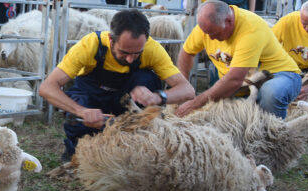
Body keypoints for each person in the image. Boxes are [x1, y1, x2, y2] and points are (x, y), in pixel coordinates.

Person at [39, 9, 195, 162]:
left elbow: (187, 90)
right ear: (111, 39)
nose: (130, 59)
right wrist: (81, 111)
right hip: (93, 98)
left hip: (127, 102)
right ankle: (76, 150)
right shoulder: (90, 45)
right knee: (78, 112)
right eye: (124, 52)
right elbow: (47, 88)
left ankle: (136, 147)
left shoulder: (152, 49)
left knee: (147, 78)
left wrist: (157, 96)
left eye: (137, 54)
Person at [176, 0, 301, 118]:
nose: (211, 39)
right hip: (243, 85)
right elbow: (186, 53)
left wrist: (195, 104)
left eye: (216, 34)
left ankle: (273, 134)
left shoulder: (251, 29)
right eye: (207, 34)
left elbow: (235, 79)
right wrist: (183, 87)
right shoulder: (209, 27)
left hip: (278, 74)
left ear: (229, 21)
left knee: (271, 93)